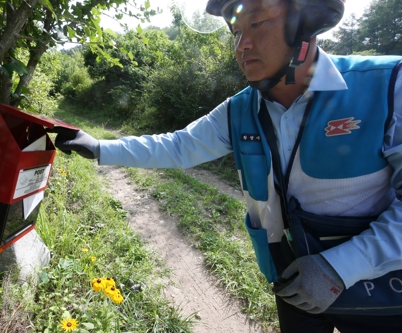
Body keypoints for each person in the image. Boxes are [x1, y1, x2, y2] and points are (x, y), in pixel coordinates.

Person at [48, 0, 402, 331]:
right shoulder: (240, 109)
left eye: (257, 23)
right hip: (290, 277)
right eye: (235, 32)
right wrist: (98, 148)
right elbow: (179, 146)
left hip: (381, 288)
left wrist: (341, 266)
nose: (241, 45)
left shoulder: (388, 85)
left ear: (303, 21)